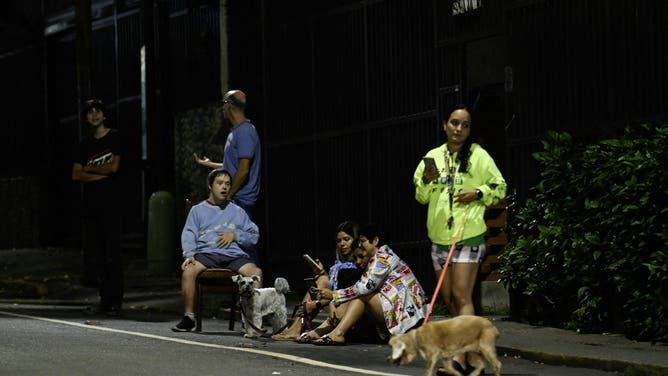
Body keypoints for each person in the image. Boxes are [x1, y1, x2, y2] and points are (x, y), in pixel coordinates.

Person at [413, 105, 506, 373]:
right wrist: (428, 182)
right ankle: (472, 356)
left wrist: (477, 192)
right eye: (454, 123)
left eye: (465, 125)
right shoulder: (432, 157)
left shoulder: (479, 156)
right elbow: (421, 196)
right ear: (445, 125)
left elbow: (499, 187)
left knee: (461, 294)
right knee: (450, 300)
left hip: (467, 235)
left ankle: (460, 358)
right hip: (439, 239)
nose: (459, 129)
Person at [172, 168, 262, 332]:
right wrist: (189, 254)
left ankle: (251, 320)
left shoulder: (237, 211)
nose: (224, 187)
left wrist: (235, 235)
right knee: (188, 271)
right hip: (206, 254)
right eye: (220, 183)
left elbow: (254, 235)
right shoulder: (197, 210)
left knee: (255, 272)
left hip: (233, 255)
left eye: (227, 184)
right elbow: (189, 233)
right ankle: (189, 317)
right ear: (210, 186)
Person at [310, 223, 429, 345]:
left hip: (410, 317)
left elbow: (363, 288)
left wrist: (334, 295)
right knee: (353, 299)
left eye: (363, 241)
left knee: (362, 296)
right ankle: (326, 331)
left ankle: (337, 334)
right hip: (404, 312)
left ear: (375, 240)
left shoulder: (383, 258)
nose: (360, 245)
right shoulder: (378, 258)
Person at [194, 89, 261, 264]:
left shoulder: (245, 131)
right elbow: (233, 166)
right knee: (236, 247)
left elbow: (244, 169)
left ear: (229, 105)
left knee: (244, 245)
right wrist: (210, 164)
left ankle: (256, 286)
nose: (222, 109)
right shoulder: (236, 131)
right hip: (237, 197)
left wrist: (229, 194)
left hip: (241, 199)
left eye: (223, 104)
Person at [72, 99, 124, 316]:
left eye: (97, 111)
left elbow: (114, 167)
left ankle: (115, 301)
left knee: (112, 253)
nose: (94, 115)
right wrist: (98, 175)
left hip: (111, 204)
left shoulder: (115, 137)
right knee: (98, 254)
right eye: (89, 112)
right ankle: (104, 299)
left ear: (104, 115)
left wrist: (90, 173)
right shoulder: (84, 145)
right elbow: (76, 174)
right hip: (91, 206)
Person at [271, 221, 363, 341]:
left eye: (347, 239)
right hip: (338, 300)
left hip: (352, 306)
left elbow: (352, 292)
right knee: (321, 279)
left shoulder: (359, 263)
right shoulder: (339, 266)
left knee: (322, 283)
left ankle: (301, 329)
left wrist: (317, 304)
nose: (342, 244)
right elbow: (336, 287)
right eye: (339, 241)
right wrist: (322, 273)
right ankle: (296, 328)